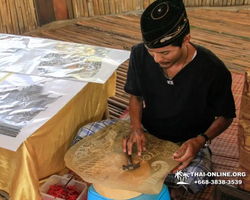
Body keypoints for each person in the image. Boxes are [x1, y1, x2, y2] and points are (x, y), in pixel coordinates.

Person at [122, 0, 236, 199]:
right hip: (148, 133)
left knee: (195, 178)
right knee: (84, 135)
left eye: (165, 52)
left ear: (186, 39)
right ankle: (163, 185)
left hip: (186, 141)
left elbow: (226, 116)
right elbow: (136, 96)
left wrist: (201, 140)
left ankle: (161, 184)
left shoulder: (213, 70)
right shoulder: (139, 54)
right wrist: (136, 126)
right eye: (152, 52)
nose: (157, 59)